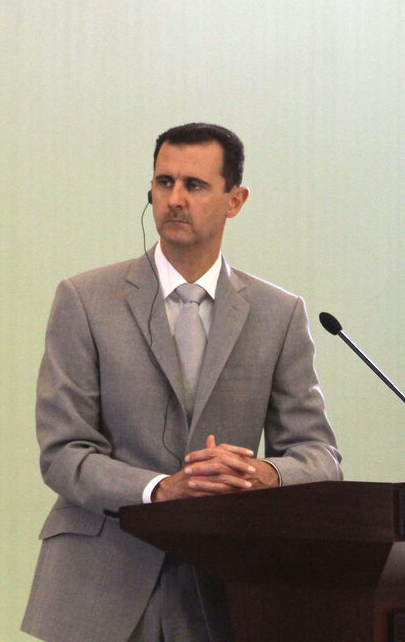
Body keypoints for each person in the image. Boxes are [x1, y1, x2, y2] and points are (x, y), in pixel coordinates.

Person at [20, 123, 341, 642]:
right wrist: (160, 489)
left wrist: (264, 474)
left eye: (194, 185)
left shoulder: (278, 314)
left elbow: (319, 455)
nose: (174, 199)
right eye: (163, 182)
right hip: (102, 582)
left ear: (235, 200)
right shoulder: (85, 299)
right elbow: (62, 453)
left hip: (227, 590)